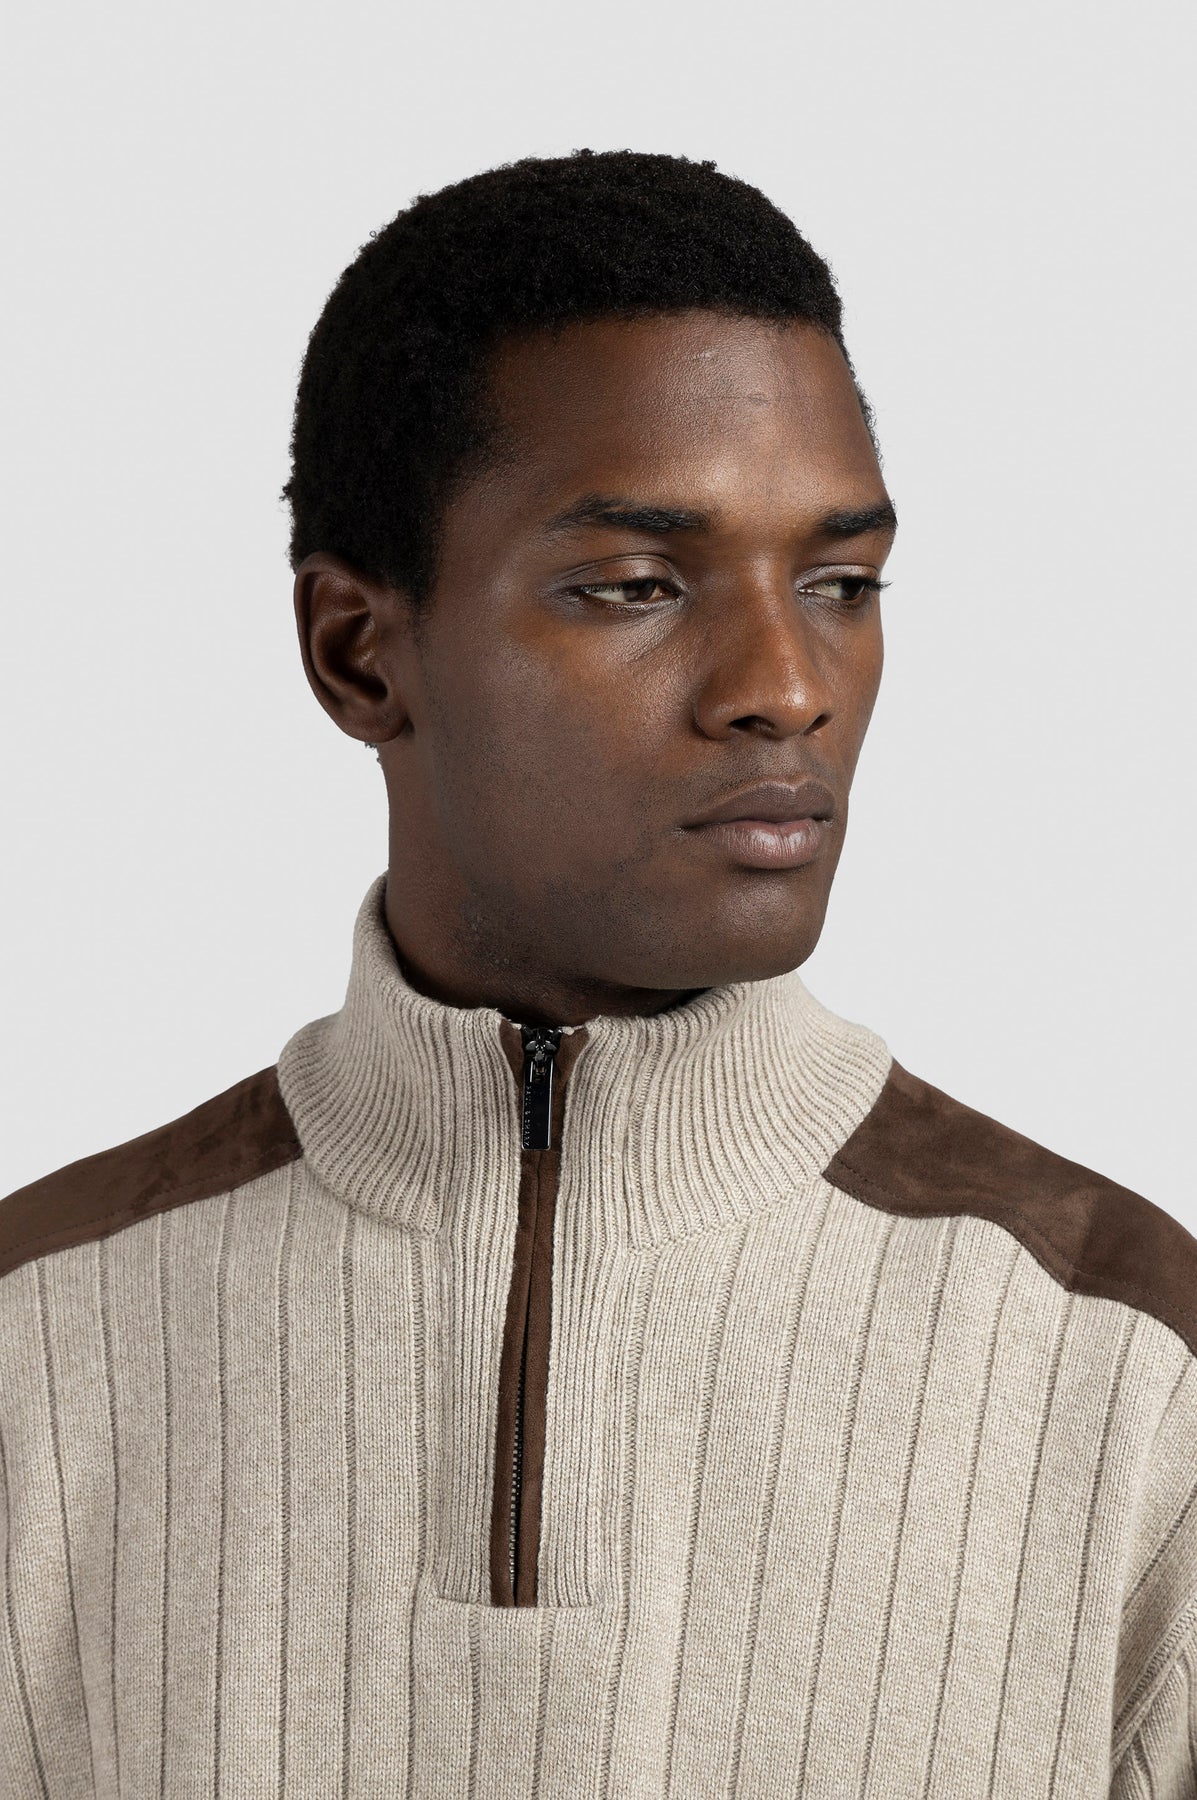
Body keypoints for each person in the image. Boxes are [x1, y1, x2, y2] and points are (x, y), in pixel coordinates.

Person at [1, 150, 1193, 1800]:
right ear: (357, 651)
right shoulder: (35, 1342)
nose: (784, 684)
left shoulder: (1127, 1353)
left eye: (839, 585)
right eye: (635, 586)